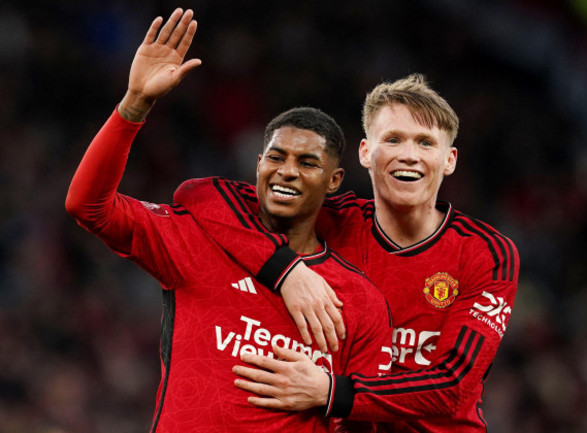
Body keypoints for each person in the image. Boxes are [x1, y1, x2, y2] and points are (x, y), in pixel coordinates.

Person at [65, 8, 392, 432]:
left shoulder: (360, 301)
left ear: (334, 180)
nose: (287, 171)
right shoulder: (198, 241)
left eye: (307, 162)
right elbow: (87, 206)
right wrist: (135, 104)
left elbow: (370, 417)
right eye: (276, 157)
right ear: (258, 165)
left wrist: (329, 393)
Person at [181, 74, 520, 431]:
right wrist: (286, 271)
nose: (409, 155)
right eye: (392, 140)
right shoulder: (332, 220)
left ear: (449, 160)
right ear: (365, 153)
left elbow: (451, 386)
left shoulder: (485, 252)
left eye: (425, 143)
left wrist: (331, 392)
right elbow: (199, 195)